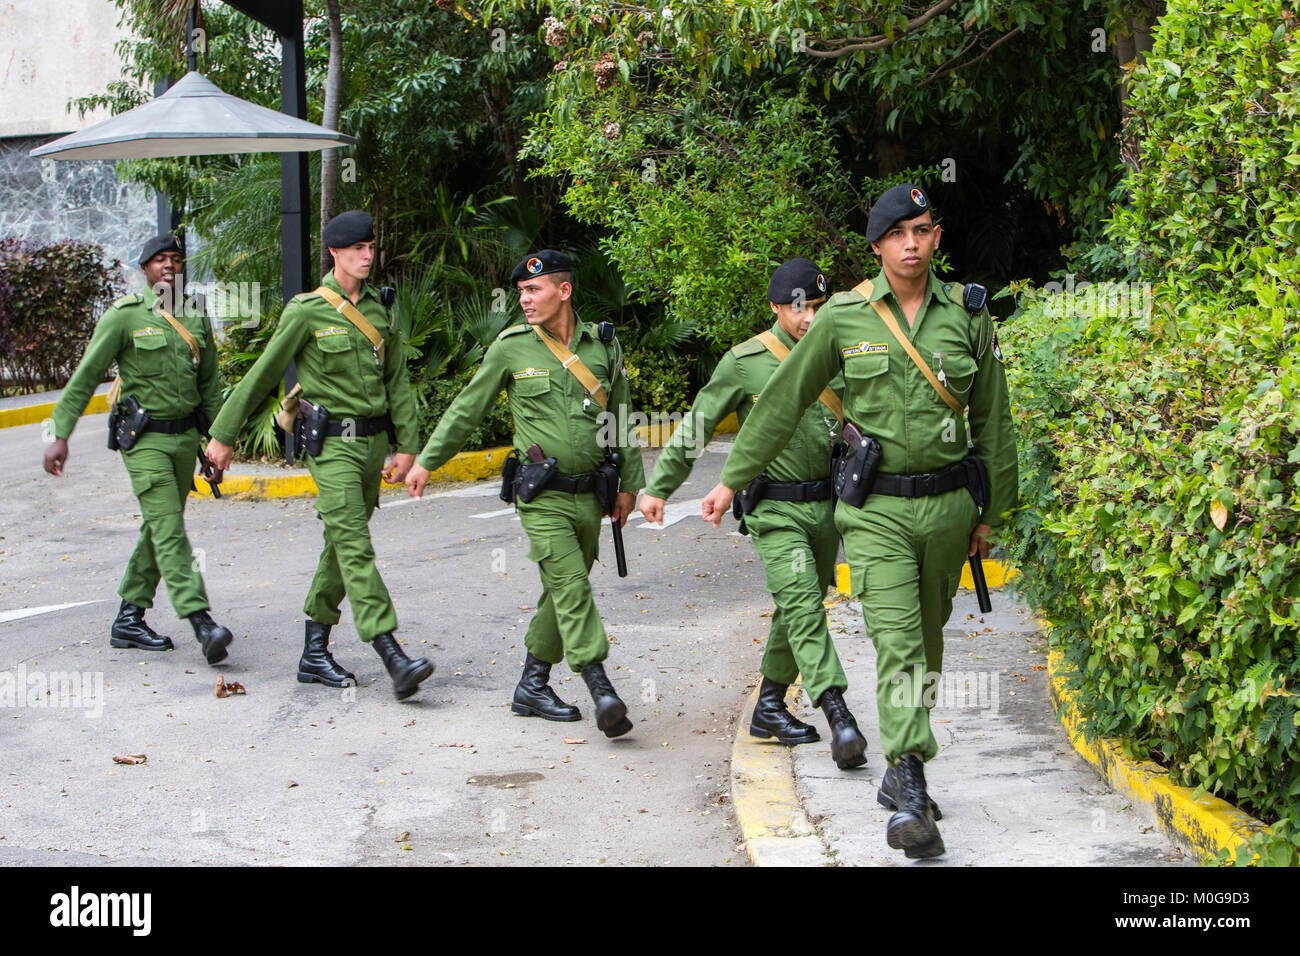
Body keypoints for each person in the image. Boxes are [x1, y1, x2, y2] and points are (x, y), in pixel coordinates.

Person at [700, 184, 1018, 859]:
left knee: (928, 643)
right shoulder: (842, 317)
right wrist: (732, 478)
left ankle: (905, 766)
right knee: (899, 641)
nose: (911, 243)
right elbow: (782, 403)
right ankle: (907, 782)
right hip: (876, 513)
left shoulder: (969, 314)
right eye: (898, 233)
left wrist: (993, 514)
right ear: (876, 247)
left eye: (923, 230)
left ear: (936, 238)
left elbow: (993, 421)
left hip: (951, 505)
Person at [405, 250, 645, 738]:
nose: (525, 300)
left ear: (564, 290)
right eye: (521, 292)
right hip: (542, 495)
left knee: (560, 592)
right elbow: (467, 408)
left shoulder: (603, 346)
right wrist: (429, 460)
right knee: (572, 589)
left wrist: (631, 484)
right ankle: (601, 688)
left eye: (533, 291)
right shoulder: (512, 347)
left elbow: (620, 414)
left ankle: (531, 685)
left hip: (591, 494)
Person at [639, 257, 868, 769]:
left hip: (828, 508)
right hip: (774, 509)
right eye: (798, 306)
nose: (809, 316)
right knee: (805, 604)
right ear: (775, 307)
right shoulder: (745, 362)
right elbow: (696, 426)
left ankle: (768, 706)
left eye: (817, 305)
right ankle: (839, 713)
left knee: (801, 603)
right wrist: (659, 487)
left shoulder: (840, 353)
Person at [205, 210, 433, 699]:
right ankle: (391, 652)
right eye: (357, 249)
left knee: (339, 544)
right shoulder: (306, 310)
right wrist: (224, 435)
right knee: (354, 543)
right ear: (334, 252)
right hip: (332, 448)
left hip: (373, 445)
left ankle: (314, 651)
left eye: (371, 247)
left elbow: (397, 381)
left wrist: (407, 445)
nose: (367, 256)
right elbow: (264, 373)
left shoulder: (379, 309)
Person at [43, 234, 234, 665]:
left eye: (175, 259)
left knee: (158, 525)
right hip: (144, 439)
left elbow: (209, 385)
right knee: (168, 527)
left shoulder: (196, 314)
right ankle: (202, 622)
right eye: (159, 260)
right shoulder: (124, 317)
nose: (169, 266)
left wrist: (217, 442)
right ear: (144, 269)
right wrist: (59, 435)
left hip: (186, 439)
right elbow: (86, 374)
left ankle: (129, 618)